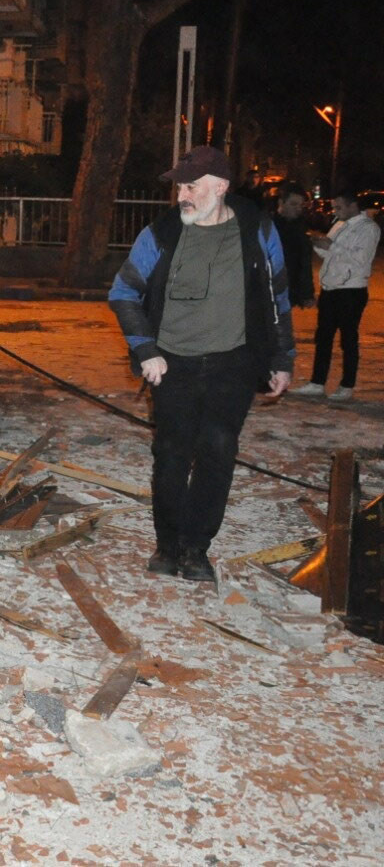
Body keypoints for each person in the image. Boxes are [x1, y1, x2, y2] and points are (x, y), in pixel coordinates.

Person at [109, 146, 294, 583]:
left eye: (191, 185)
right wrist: (145, 349)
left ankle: (196, 548)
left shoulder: (257, 229)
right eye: (179, 186)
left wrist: (281, 356)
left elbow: (278, 298)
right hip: (173, 364)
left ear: (221, 187)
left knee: (218, 450)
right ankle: (167, 544)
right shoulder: (162, 234)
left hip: (235, 362)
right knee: (171, 454)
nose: (182, 195)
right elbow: (124, 292)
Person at [292, 191, 379, 401]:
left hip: (351, 290)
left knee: (348, 338)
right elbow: (331, 252)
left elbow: (360, 257)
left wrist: (332, 246)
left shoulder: (368, 228)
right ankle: (317, 382)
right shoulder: (340, 224)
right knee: (323, 337)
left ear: (353, 206)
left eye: (339, 207)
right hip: (331, 288)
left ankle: (347, 384)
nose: (335, 211)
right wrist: (318, 245)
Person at [272, 186, 316, 308]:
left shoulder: (300, 227)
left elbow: (304, 262)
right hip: (269, 291)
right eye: (293, 204)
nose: (298, 209)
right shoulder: (268, 227)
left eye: (301, 205)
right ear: (281, 203)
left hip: (290, 290)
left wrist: (307, 294)